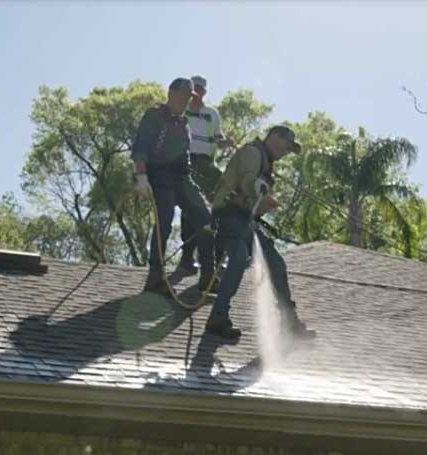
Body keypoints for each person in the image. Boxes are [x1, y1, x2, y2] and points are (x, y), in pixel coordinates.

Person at [204, 126, 315, 339]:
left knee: (276, 264)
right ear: (274, 137)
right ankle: (218, 316)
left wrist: (263, 203)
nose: (287, 152)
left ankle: (290, 324)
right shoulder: (253, 152)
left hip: (245, 220)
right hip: (229, 216)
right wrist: (259, 191)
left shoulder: (265, 161)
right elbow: (247, 180)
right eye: (287, 145)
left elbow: (252, 198)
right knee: (238, 258)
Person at [131, 77, 217, 294]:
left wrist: (195, 188)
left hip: (181, 178)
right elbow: (141, 146)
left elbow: (184, 159)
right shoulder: (154, 115)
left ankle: (209, 275)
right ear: (171, 93)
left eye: (189, 97)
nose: (186, 100)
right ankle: (155, 278)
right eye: (183, 96)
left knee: (205, 220)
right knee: (164, 222)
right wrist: (141, 176)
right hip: (159, 177)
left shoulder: (184, 124)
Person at [176, 75, 233, 276]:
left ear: (204, 92)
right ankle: (187, 257)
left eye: (200, 89)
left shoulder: (211, 114)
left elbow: (218, 138)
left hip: (206, 164)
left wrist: (226, 143)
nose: (196, 92)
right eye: (194, 88)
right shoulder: (181, 111)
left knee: (222, 201)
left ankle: (215, 256)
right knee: (190, 207)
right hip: (186, 161)